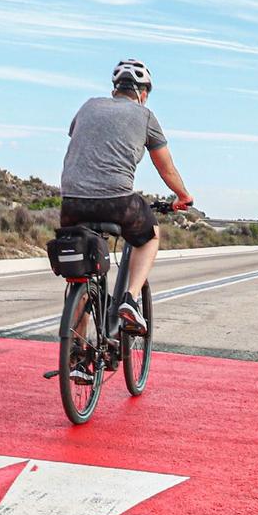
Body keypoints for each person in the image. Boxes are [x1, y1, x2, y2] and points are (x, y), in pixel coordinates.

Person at [58, 58, 193, 336]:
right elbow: (165, 168)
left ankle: (78, 358)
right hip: (117, 199)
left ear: (114, 90)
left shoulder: (88, 106)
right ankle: (130, 300)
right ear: (143, 94)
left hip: (72, 201)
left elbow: (78, 136)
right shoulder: (146, 116)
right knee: (151, 234)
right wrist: (183, 196)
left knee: (80, 275)